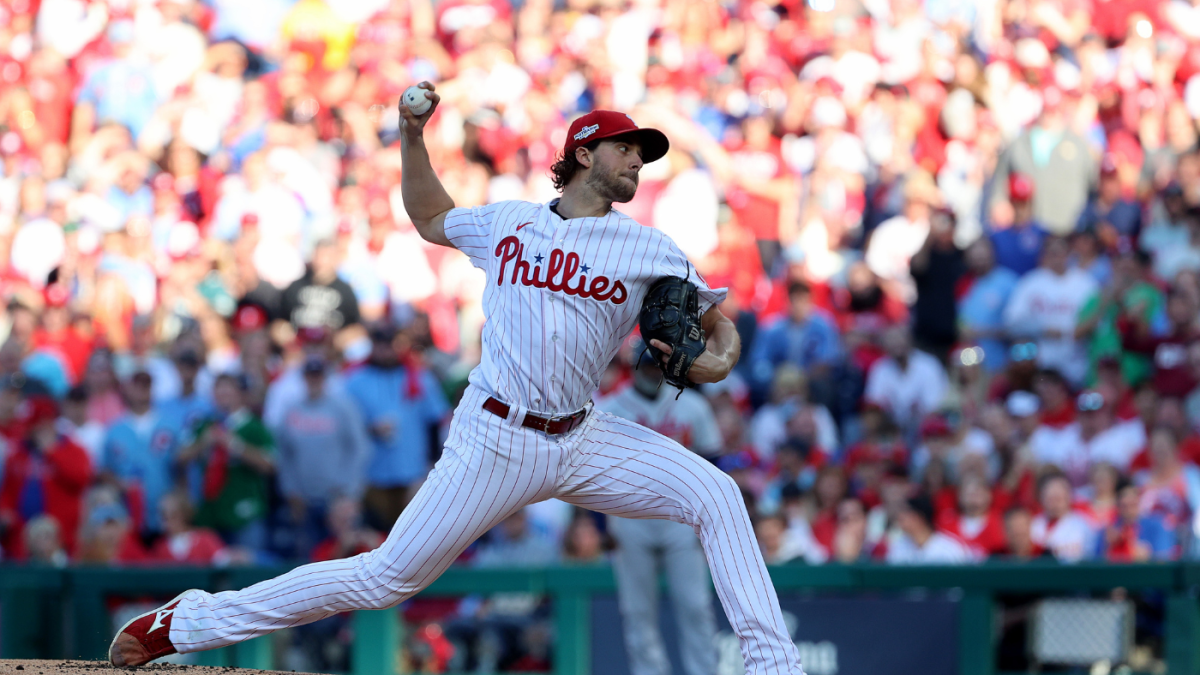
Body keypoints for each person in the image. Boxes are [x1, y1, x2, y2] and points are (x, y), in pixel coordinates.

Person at [111, 92, 806, 675]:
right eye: (627, 147)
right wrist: (413, 137)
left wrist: (714, 361)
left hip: (584, 434)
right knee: (386, 577)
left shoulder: (649, 247)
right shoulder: (509, 222)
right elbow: (428, 215)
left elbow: (721, 331)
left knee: (715, 493)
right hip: (495, 437)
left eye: (642, 153)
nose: (637, 160)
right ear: (586, 153)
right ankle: (190, 621)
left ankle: (774, 663)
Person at [596, 351, 721, 675]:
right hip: (629, 517)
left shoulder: (691, 406)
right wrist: (600, 525)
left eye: (657, 365)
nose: (653, 371)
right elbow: (591, 474)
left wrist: (707, 519)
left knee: (695, 605)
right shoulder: (609, 410)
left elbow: (714, 465)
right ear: (633, 368)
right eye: (647, 365)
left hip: (680, 518)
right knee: (637, 611)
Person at [344, 324, 449, 529]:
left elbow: (434, 422)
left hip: (413, 473)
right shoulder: (354, 381)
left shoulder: (418, 376)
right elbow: (343, 427)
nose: (386, 351)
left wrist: (433, 465)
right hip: (370, 474)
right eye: (380, 345)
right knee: (377, 534)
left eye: (390, 345)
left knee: (413, 534)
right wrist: (368, 429)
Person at [274, 355, 371, 559]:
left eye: (318, 376)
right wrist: (290, 490)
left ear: (325, 378)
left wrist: (349, 490)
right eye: (310, 375)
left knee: (343, 557)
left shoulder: (342, 407)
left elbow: (360, 448)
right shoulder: (292, 410)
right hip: (304, 498)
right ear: (304, 378)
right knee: (309, 558)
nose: (314, 380)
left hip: (338, 499)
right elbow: (284, 455)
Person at [1003, 236, 1098, 386]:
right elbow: (1011, 323)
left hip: (1077, 363)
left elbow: (1098, 320)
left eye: (1060, 252)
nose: (1057, 257)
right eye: (1052, 253)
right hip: (1041, 365)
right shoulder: (1031, 282)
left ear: (1069, 254)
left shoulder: (1085, 283)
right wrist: (1042, 329)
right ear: (1044, 255)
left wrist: (1077, 331)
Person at [885, 494, 973, 564]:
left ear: (919, 517)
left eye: (905, 513)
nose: (900, 516)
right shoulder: (898, 546)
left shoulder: (949, 548)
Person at [1030, 473, 1095, 562]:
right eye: (1050, 499)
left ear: (1068, 497)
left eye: (1058, 499)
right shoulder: (1034, 523)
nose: (1054, 504)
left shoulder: (1083, 524)